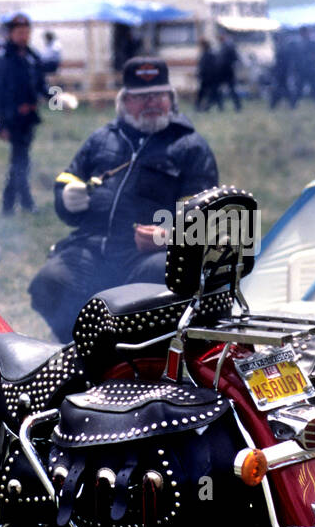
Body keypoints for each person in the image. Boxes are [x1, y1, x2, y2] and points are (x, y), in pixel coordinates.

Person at [28, 56, 219, 341]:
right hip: (91, 248)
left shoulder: (190, 146)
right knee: (49, 282)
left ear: (171, 98)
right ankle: (80, 347)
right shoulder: (102, 139)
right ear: (124, 101)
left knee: (164, 278)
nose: (152, 103)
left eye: (159, 95)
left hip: (145, 257)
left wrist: (166, 236)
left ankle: (143, 355)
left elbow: (204, 220)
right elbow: (68, 179)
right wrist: (66, 197)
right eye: (142, 97)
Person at [0, 12, 48, 214]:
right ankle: (20, 203)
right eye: (19, 32)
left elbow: (41, 85)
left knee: (21, 161)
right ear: (11, 34)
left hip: (28, 118)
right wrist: (1, 124)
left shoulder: (32, 56)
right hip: (11, 118)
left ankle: (15, 204)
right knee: (19, 161)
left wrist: (58, 98)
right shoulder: (2, 59)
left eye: (26, 32)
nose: (23, 36)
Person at [216, 32, 243, 110]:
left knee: (230, 89)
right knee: (228, 89)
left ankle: (234, 106)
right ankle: (222, 106)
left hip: (227, 71)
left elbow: (234, 58)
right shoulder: (224, 46)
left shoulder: (228, 46)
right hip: (225, 71)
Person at [195, 39, 222, 111]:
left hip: (207, 78)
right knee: (213, 93)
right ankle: (204, 107)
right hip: (209, 78)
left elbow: (204, 67)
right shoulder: (210, 54)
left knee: (207, 93)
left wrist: (200, 74)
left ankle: (203, 107)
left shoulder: (207, 54)